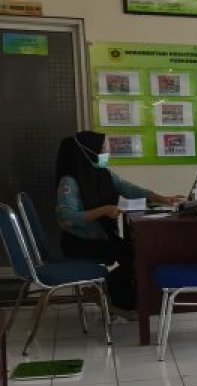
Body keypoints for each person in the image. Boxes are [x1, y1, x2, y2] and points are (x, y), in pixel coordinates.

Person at [55, 131, 183, 313]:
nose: (106, 153)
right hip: (80, 242)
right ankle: (117, 300)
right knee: (135, 256)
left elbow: (127, 188)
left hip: (102, 237)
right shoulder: (69, 181)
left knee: (137, 253)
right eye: (102, 148)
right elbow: (66, 217)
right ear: (89, 151)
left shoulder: (103, 172)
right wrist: (103, 211)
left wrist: (161, 198)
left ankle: (106, 292)